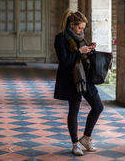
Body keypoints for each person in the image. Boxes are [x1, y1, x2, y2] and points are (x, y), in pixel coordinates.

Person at [54, 9, 103, 156]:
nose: (81, 30)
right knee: (74, 110)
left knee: (98, 106)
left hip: (85, 78)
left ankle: (86, 138)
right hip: (71, 80)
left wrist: (90, 50)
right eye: (79, 27)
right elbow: (64, 61)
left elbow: (84, 59)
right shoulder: (61, 38)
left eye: (83, 28)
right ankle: (75, 144)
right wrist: (79, 52)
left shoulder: (80, 37)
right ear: (71, 25)